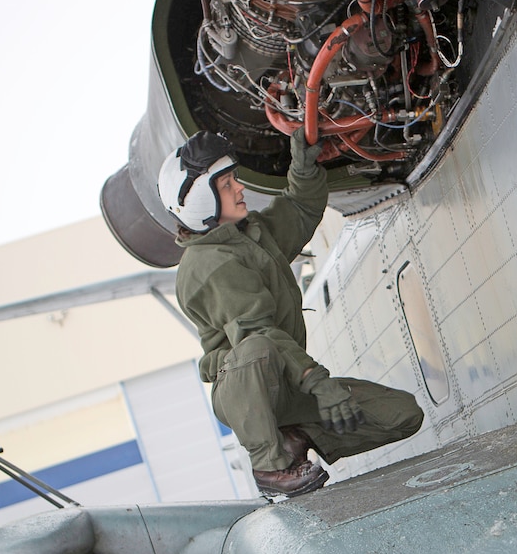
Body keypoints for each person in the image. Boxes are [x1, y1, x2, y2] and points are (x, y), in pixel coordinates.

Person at [159, 130, 423, 497]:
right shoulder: (207, 264)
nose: (239, 189)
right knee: (257, 347)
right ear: (200, 200)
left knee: (402, 414)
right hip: (252, 391)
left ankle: (295, 436)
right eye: (226, 184)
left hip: (287, 379)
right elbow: (259, 334)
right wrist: (320, 383)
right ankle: (270, 465)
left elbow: (298, 208)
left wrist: (302, 165)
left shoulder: (248, 236)